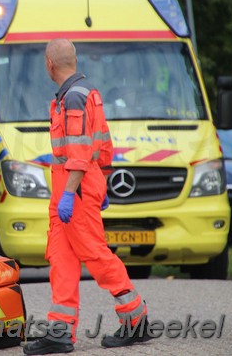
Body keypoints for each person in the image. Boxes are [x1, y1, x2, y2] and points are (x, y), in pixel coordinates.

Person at [23, 39, 152, 355]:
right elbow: (105, 145)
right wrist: (102, 183)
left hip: (73, 188)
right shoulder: (84, 94)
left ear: (49, 64)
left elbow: (79, 152)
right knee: (61, 259)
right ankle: (60, 331)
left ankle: (136, 320)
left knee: (95, 254)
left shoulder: (74, 99)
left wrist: (72, 194)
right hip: (74, 188)